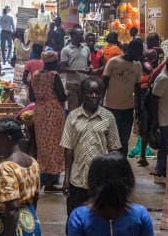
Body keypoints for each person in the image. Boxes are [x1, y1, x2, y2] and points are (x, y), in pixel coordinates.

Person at [61, 77, 122, 213]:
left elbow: (114, 149)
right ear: (83, 94)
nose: (94, 96)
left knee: (98, 220)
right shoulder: (73, 117)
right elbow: (68, 149)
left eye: (97, 92)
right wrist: (66, 178)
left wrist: (114, 180)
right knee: (74, 220)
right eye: (90, 92)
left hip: (100, 180)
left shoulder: (108, 117)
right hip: (77, 178)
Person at [29, 50, 68, 190]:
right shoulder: (54, 76)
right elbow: (62, 96)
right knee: (54, 144)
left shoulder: (35, 75)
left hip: (39, 111)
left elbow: (32, 97)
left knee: (42, 145)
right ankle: (51, 181)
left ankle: (43, 177)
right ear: (54, 62)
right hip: (53, 112)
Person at [103, 38, 144, 153]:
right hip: (111, 107)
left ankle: (122, 165)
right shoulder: (113, 62)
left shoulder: (137, 65)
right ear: (131, 50)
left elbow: (137, 88)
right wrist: (100, 104)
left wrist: (138, 108)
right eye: (138, 52)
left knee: (124, 140)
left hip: (128, 108)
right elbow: (104, 83)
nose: (140, 55)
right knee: (112, 140)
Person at [59, 27, 92, 108]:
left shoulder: (86, 48)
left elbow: (88, 63)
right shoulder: (66, 50)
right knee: (73, 109)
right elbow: (63, 68)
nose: (82, 37)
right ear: (72, 36)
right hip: (72, 84)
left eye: (82, 34)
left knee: (84, 108)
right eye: (79, 35)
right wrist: (79, 70)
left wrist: (90, 68)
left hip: (84, 83)